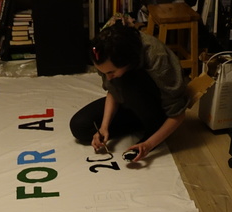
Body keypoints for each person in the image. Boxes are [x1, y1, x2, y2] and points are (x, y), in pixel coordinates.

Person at [69, 19, 190, 163]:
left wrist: (148, 144)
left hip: (157, 107)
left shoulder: (156, 56)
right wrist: (104, 127)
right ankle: (139, 123)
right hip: (130, 102)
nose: (108, 77)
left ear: (127, 61)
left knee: (126, 81)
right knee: (80, 126)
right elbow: (113, 91)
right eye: (103, 72)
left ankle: (154, 129)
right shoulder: (105, 55)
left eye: (111, 72)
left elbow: (178, 113)